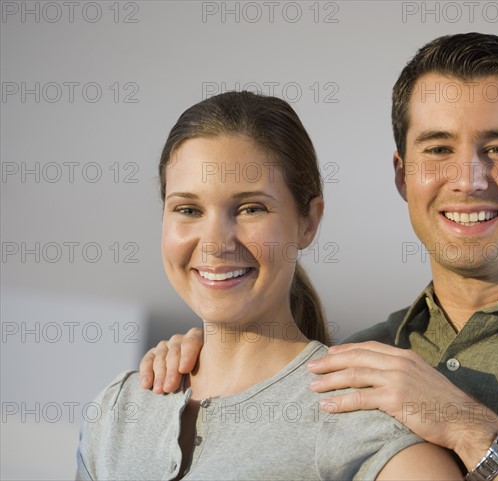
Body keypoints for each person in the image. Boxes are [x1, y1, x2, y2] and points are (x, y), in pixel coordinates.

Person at [140, 33, 498, 481]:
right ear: (402, 176)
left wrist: (468, 426)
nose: (468, 179)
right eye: (438, 149)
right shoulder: (354, 362)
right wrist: (207, 360)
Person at [76, 91, 462, 480]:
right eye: (188, 210)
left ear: (308, 222)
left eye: (250, 209)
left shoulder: (357, 419)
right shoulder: (115, 411)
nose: (214, 242)